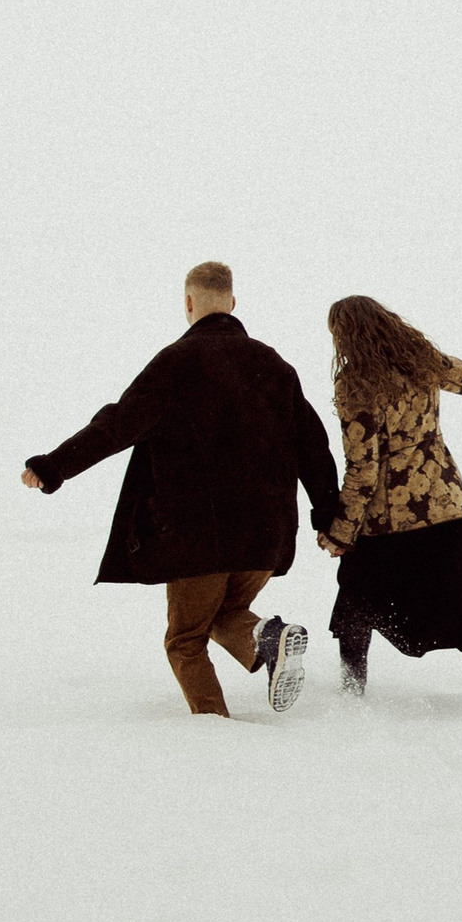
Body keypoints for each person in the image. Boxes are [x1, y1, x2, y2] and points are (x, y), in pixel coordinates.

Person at [23, 260, 342, 718]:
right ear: (232, 303)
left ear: (189, 304)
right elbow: (314, 447)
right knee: (223, 615)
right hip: (265, 535)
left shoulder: (176, 363)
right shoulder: (274, 366)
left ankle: (213, 732)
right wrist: (329, 517)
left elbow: (116, 424)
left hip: (198, 535)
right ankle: (265, 637)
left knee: (185, 640)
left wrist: (54, 466)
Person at [316, 294, 462, 708]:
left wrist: (341, 532)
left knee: (356, 602)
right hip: (445, 506)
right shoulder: (422, 361)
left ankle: (350, 692)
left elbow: (363, 468)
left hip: (386, 522)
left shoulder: (355, 384)